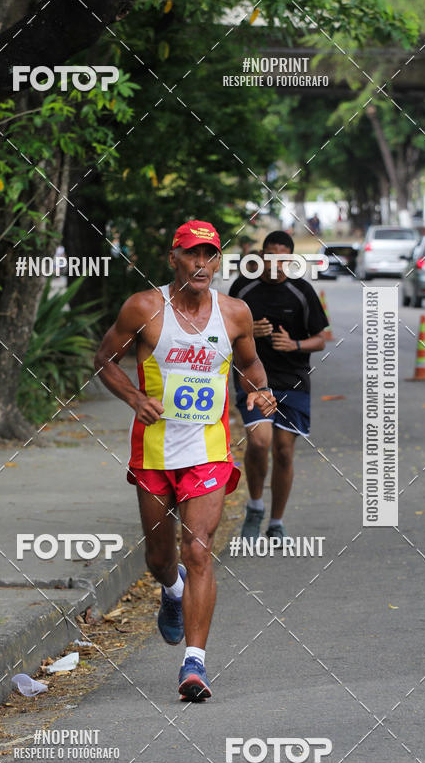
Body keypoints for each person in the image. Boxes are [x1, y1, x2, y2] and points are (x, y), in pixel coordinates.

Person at [94, 220, 277, 701]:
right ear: (173, 258)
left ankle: (193, 665)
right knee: (161, 559)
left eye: (210, 255)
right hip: (154, 451)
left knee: (199, 551)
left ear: (218, 261)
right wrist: (135, 398)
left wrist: (259, 390)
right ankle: (170, 589)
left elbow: (251, 363)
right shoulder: (144, 308)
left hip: (207, 452)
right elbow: (104, 359)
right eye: (193, 254)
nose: (202, 263)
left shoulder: (234, 313)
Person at [229, 230, 328, 543]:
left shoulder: (301, 291)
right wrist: (248, 331)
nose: (275, 263)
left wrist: (295, 344)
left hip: (293, 381)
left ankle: (276, 522)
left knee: (284, 452)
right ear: (261, 257)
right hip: (253, 378)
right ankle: (255, 507)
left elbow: (322, 338)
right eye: (270, 256)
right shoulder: (243, 288)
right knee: (259, 443)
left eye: (283, 258)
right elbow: (221, 330)